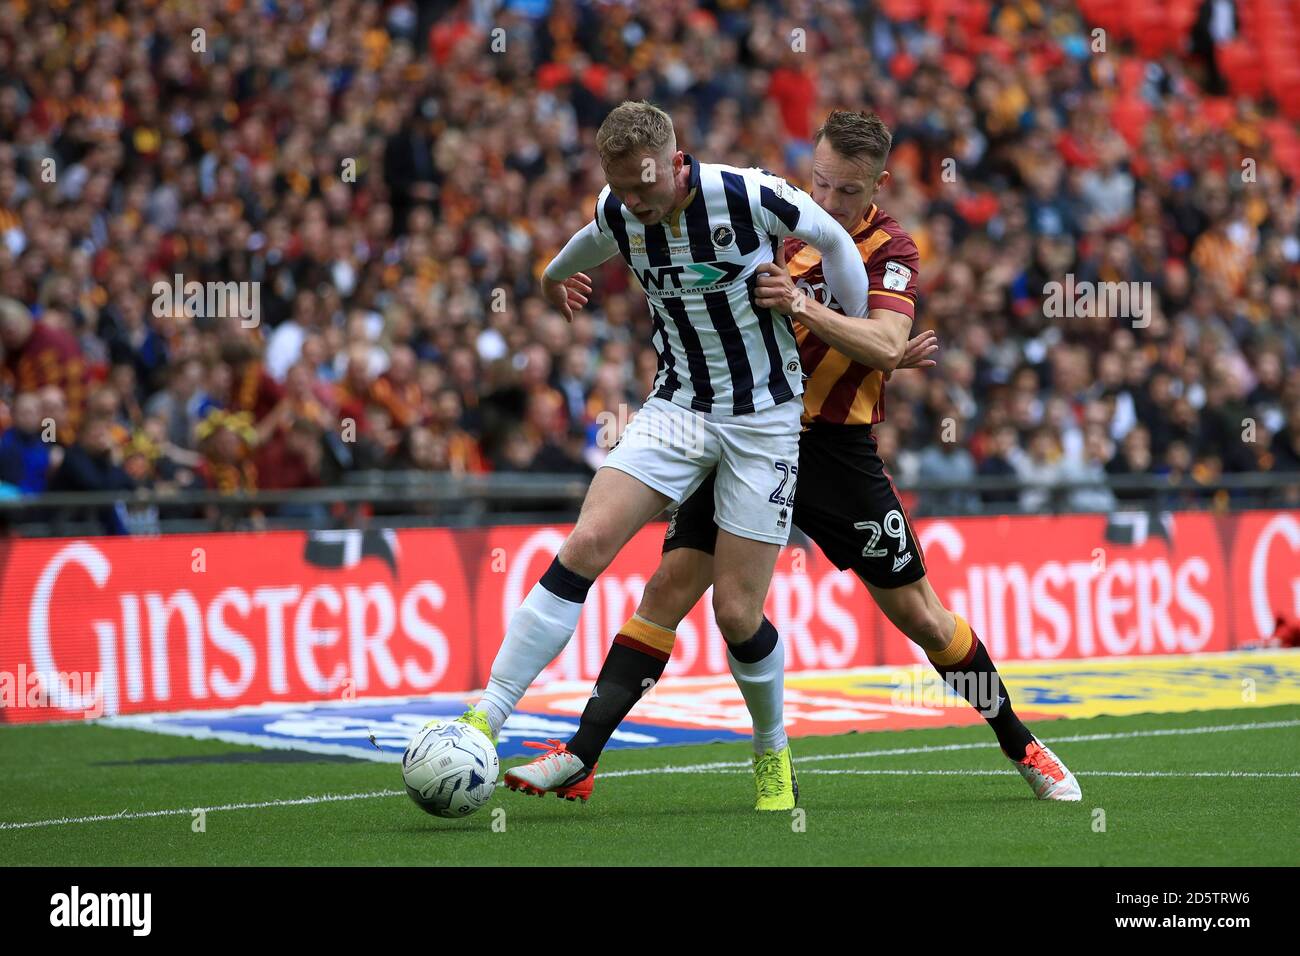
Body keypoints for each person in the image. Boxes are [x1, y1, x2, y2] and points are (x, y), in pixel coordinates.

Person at [506, 111, 1080, 809]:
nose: (829, 202)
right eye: (822, 183)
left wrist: (804, 306)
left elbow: (886, 344)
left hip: (833, 449)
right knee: (669, 593)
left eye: (847, 191)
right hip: (738, 430)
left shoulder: (890, 247)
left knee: (923, 617)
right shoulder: (776, 212)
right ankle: (581, 756)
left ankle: (1022, 744)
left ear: (879, 185)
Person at [446, 100, 871, 810]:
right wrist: (553, 281)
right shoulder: (620, 210)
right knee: (587, 540)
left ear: (677, 162)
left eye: (644, 188)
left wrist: (836, 321)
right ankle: (487, 715)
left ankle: (772, 754)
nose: (634, 203)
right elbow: (580, 243)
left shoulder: (748, 194)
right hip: (677, 410)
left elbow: (837, 242)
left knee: (737, 614)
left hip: (765, 420)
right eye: (621, 188)